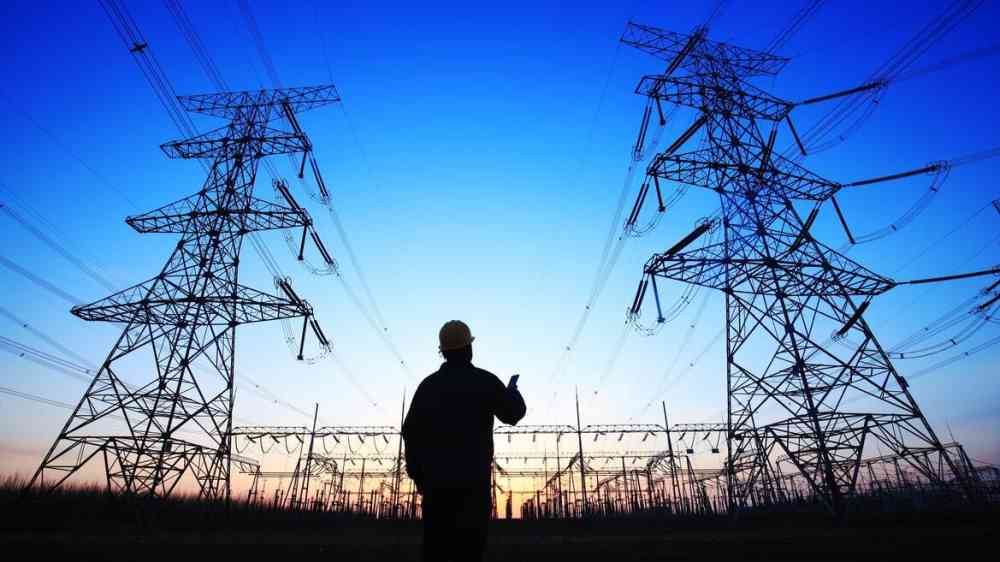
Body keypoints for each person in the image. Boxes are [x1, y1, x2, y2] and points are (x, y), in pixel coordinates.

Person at [402, 320, 527, 562]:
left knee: (436, 551)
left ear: (443, 351)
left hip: (436, 489)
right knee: (470, 551)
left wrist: (418, 475)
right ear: (469, 349)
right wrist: (513, 392)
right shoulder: (485, 382)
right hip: (474, 489)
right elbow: (512, 414)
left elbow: (411, 432)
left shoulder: (428, 387)